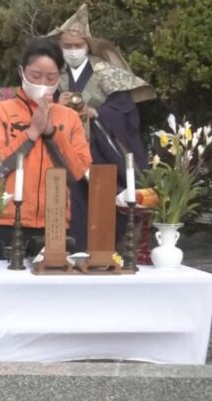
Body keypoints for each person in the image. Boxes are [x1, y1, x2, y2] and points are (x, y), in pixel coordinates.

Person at [48, 4, 155, 251]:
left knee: (102, 198)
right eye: (67, 46)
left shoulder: (105, 71)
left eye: (78, 46)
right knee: (66, 199)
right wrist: (56, 104)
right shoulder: (54, 72)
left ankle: (105, 251)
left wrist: (95, 112)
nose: (73, 51)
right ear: (60, 46)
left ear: (88, 45)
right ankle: (65, 250)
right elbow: (39, 104)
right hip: (62, 149)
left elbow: (125, 108)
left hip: (100, 147)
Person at [0, 38, 92, 259]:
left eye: (50, 78)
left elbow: (78, 172)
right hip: (6, 220)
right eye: (35, 76)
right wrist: (31, 133)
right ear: (22, 72)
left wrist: (51, 134)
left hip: (55, 223)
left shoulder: (69, 117)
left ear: (59, 78)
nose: (42, 83)